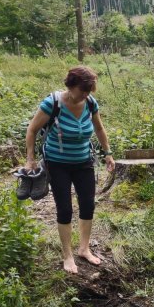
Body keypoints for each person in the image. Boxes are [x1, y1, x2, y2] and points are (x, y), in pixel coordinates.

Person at [24, 66, 115, 274]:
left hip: (83, 161)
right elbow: (32, 130)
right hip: (57, 164)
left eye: (89, 91)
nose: (85, 94)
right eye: (83, 90)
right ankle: (67, 255)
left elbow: (99, 128)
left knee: (87, 205)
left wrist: (108, 152)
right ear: (71, 85)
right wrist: (30, 160)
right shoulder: (52, 104)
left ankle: (84, 248)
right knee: (64, 209)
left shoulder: (90, 103)